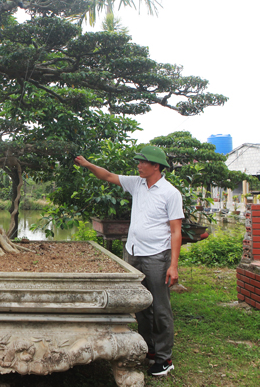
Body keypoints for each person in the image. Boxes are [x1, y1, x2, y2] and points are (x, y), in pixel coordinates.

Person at [74, 145, 183, 377]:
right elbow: (108, 175)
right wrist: (88, 165)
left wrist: (173, 265)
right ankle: (149, 349)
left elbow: (176, 231)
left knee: (160, 308)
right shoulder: (137, 183)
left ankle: (165, 358)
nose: (138, 165)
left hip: (157, 256)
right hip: (133, 253)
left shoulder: (170, 193)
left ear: (156, 166)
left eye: (143, 162)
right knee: (140, 305)